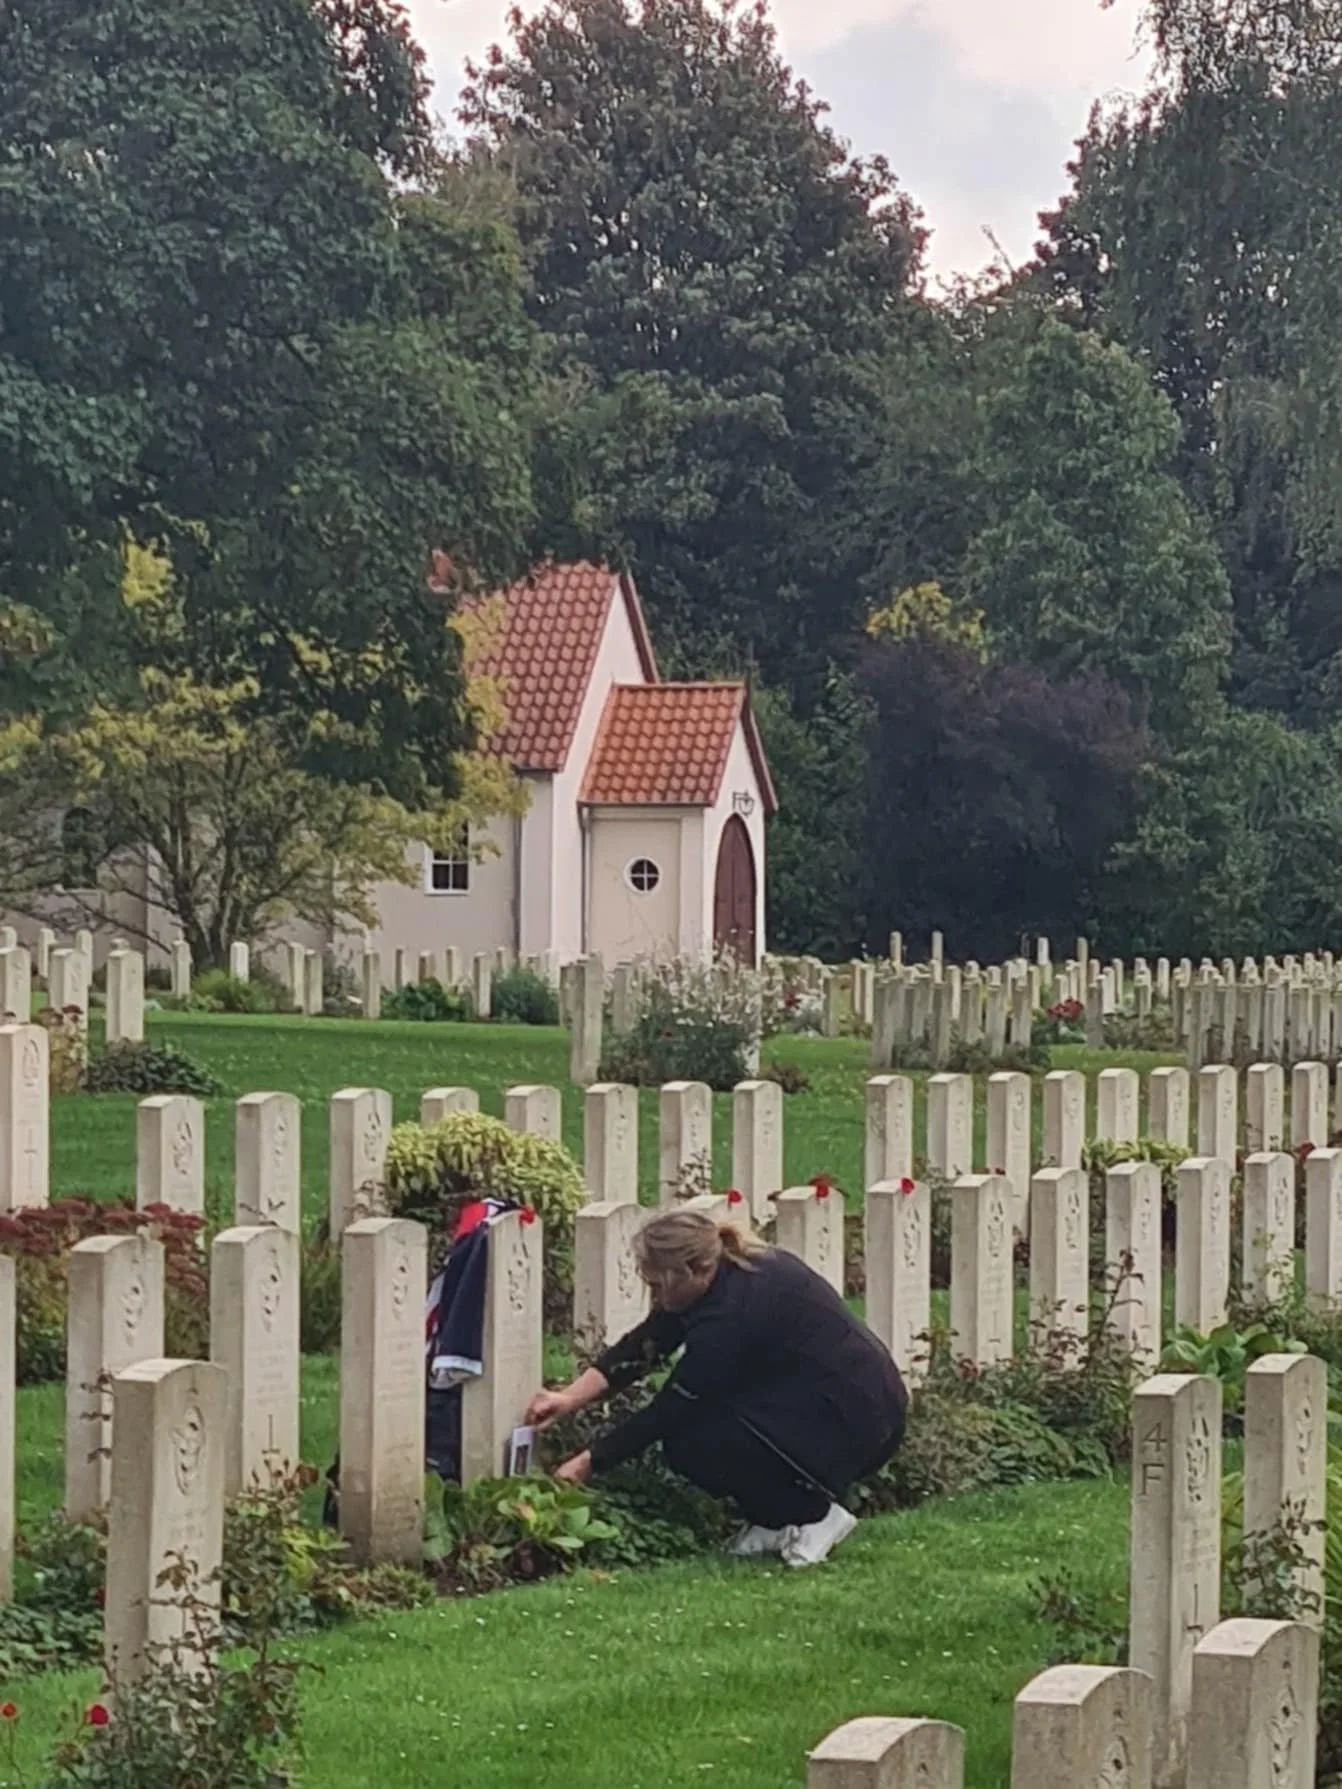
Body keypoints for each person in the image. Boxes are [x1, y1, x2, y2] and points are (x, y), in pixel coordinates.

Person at [526, 1208, 908, 1569]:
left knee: (695, 1445)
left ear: (696, 1269)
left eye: (658, 1286)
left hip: (858, 1418)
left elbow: (673, 1406)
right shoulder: (722, 1277)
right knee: (704, 1433)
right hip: (833, 1399)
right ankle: (774, 1522)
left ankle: (815, 1516)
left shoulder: (734, 1313)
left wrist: (587, 1462)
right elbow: (648, 1343)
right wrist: (569, 1397)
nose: (655, 1297)